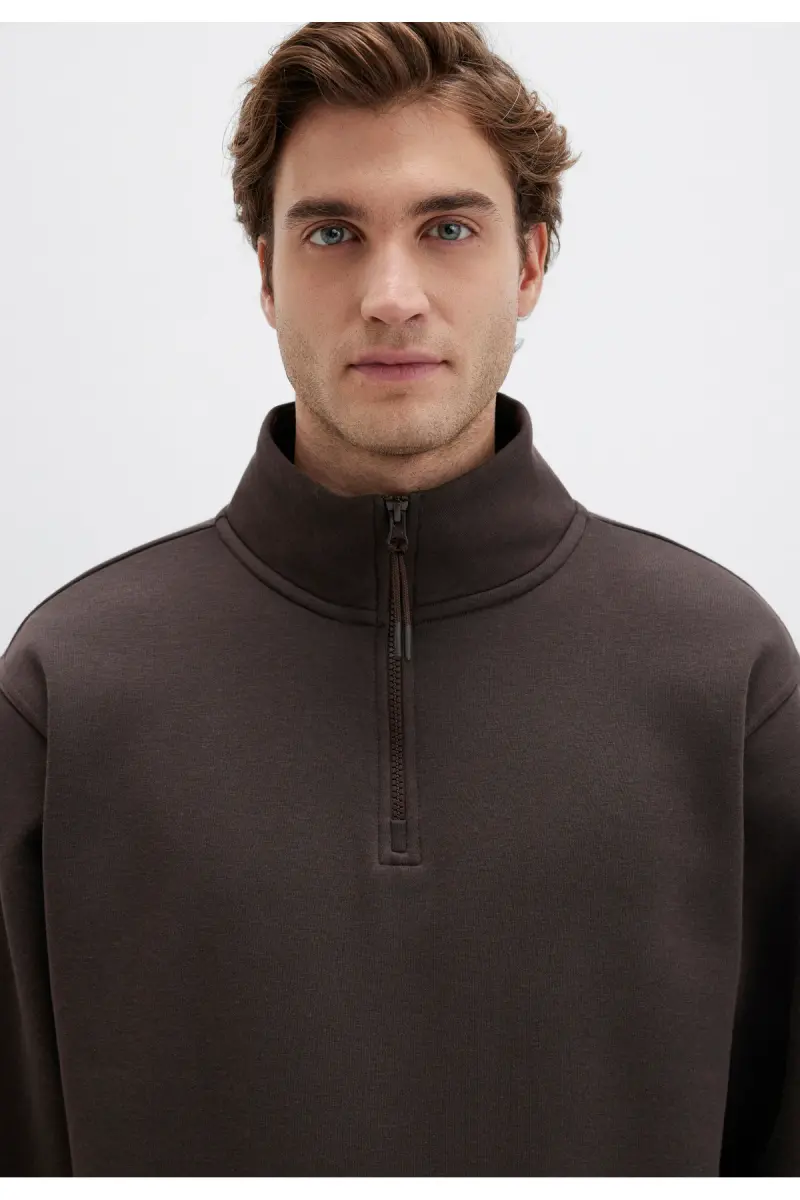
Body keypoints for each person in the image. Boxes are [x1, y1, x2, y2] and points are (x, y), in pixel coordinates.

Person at [1, 21, 798, 1178]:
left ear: (527, 265)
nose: (389, 296)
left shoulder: (726, 677)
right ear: (266, 275)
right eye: (332, 232)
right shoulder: (68, 690)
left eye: (447, 229)